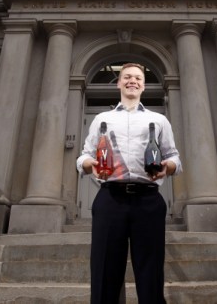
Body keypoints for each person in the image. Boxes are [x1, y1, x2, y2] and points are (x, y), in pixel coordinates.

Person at [77, 63, 182, 304]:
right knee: (105, 267)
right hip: (110, 198)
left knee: (150, 268)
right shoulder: (102, 119)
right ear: (119, 83)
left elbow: (174, 156)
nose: (132, 81)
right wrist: (88, 164)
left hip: (148, 199)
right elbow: (83, 154)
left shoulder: (159, 120)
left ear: (143, 85)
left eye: (137, 77)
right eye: (126, 77)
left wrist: (169, 166)